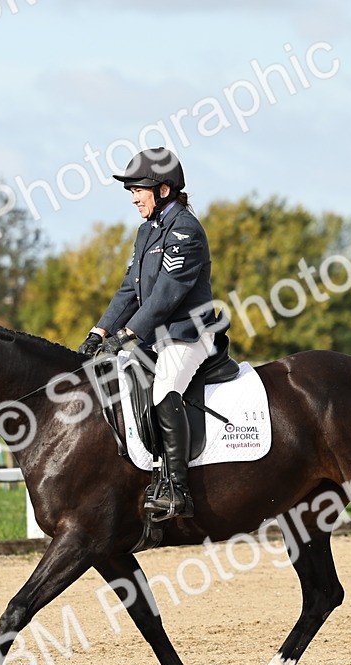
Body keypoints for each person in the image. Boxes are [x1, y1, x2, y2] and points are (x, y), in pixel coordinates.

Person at [77, 148, 229, 521]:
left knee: (164, 389)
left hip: (185, 335)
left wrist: (127, 334)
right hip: (152, 338)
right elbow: (130, 289)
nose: (133, 197)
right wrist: (100, 331)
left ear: (163, 190)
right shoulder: (148, 231)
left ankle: (178, 488)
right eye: (131, 191)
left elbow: (166, 294)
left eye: (138, 190)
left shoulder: (186, 231)